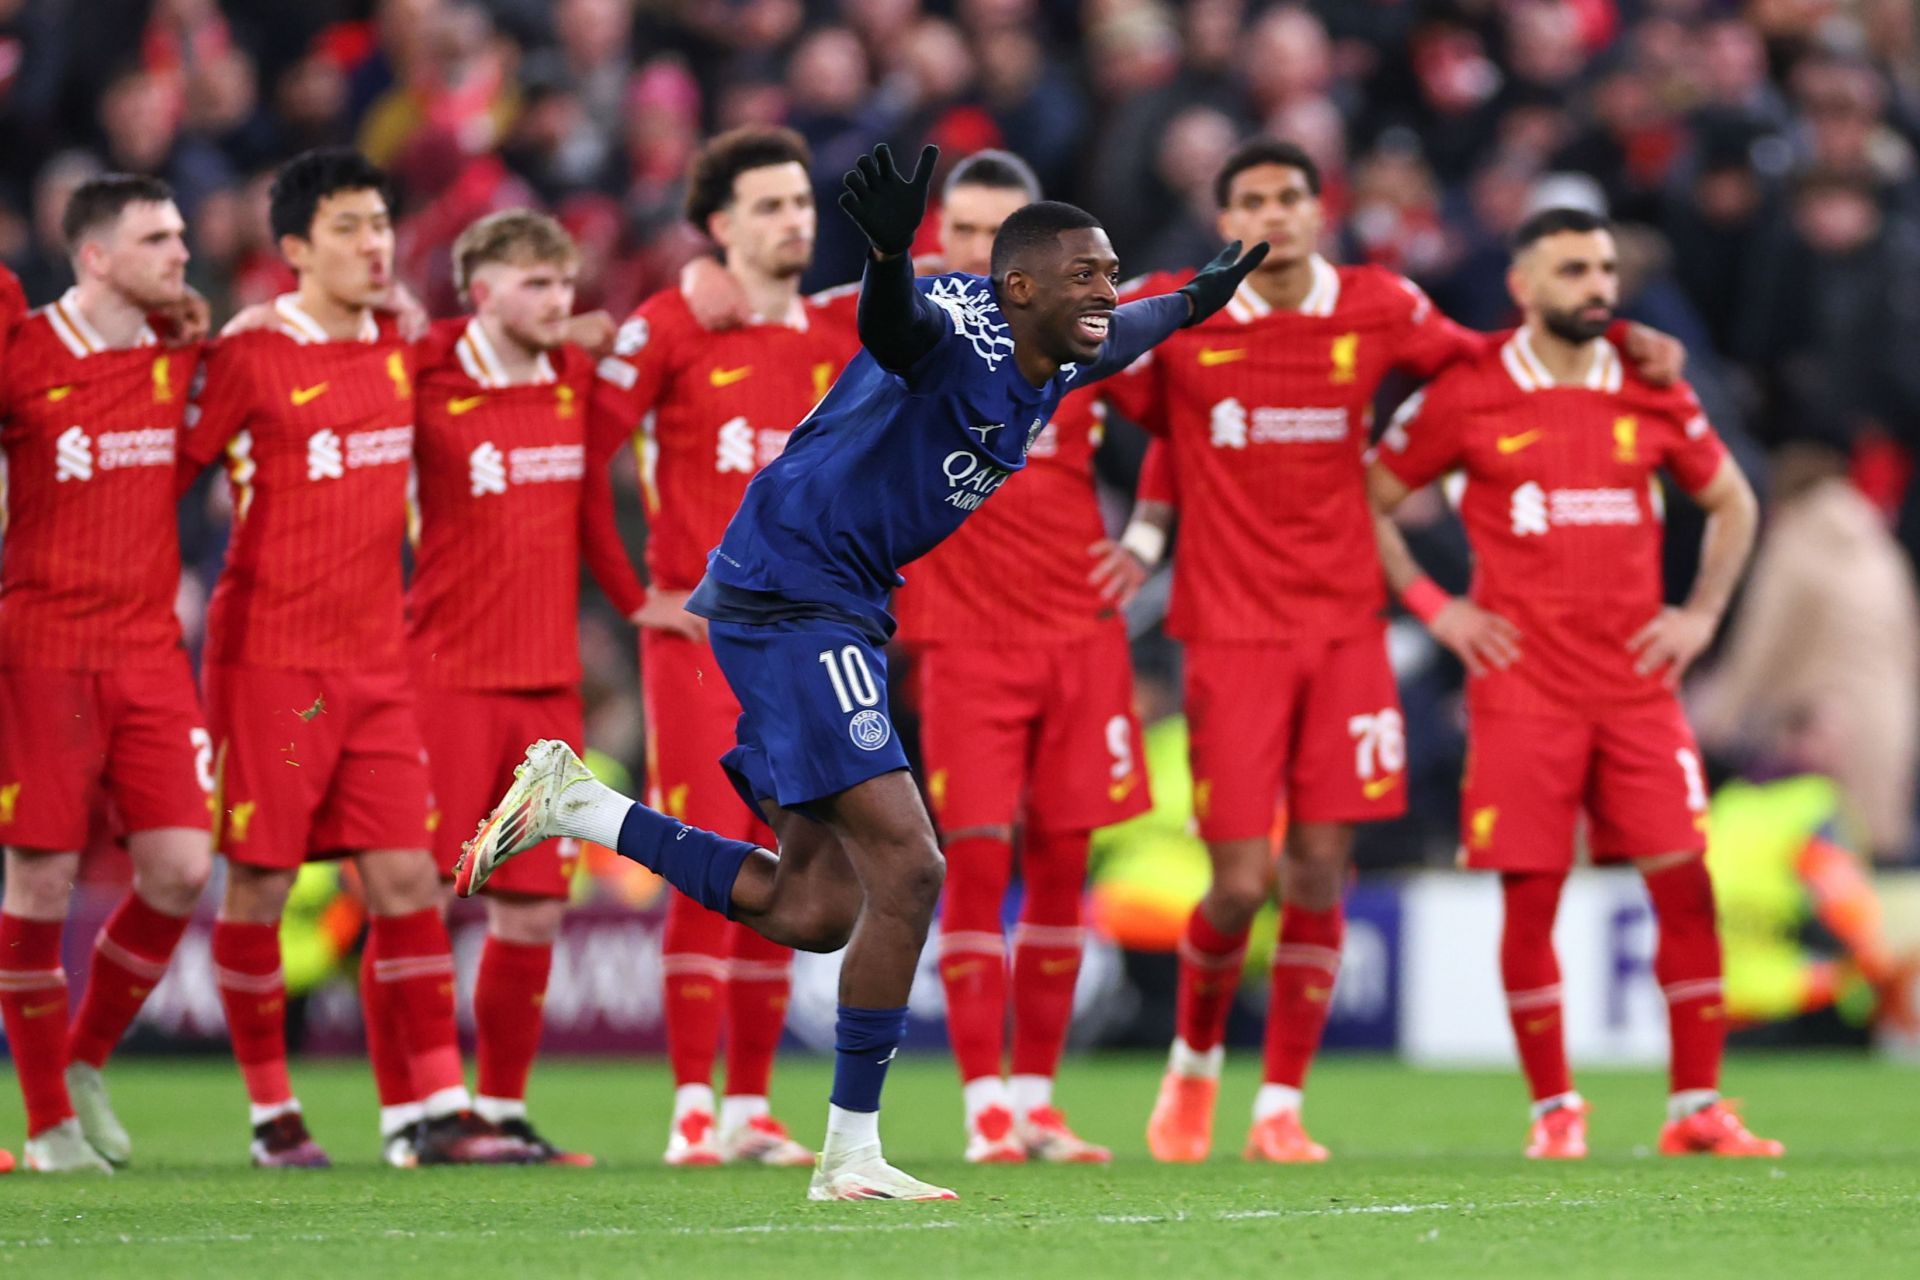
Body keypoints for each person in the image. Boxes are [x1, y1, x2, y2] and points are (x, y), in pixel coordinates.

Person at [458, 142, 1266, 1200]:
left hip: (831, 599)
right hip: (798, 592)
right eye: (1088, 275)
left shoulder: (1062, 346)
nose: (1107, 293)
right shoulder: (956, 335)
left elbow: (1136, 330)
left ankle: (582, 806)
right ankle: (851, 1155)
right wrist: (889, 250)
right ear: (1017, 286)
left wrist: (1195, 297)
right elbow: (894, 328)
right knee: (915, 865)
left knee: (812, 908)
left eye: (1113, 273)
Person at [1108, 138, 1682, 1165]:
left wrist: (1619, 340)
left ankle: (1280, 1103)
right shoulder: (1180, 311)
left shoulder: (1376, 303)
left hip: (1345, 631)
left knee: (1323, 869)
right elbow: (1137, 403)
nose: (1275, 213)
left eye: (1292, 195)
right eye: (1253, 199)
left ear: (1320, 209)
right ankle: (1192, 1068)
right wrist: (1145, 532)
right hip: (1230, 632)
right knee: (1240, 883)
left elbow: (1480, 356)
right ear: (1224, 216)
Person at [1366, 206, 1781, 1159]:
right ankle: (1556, 1111)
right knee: (1532, 896)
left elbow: (1734, 501)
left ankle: (1697, 1109)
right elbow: (1371, 498)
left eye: (1604, 269)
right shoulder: (1469, 392)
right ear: (1524, 287)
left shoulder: (1650, 385)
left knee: (1685, 882)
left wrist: (1702, 616)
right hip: (1524, 690)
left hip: (1637, 687)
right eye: (1573, 271)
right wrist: (1440, 609)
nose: (1596, 287)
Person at [181, 147, 522, 1169]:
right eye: (348, 228)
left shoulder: (401, 345)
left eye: (381, 224)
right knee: (262, 887)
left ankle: (431, 1111)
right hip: (272, 670)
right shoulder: (247, 355)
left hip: (378, 668)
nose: (375, 244)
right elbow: (174, 473)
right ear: (293, 250)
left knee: (408, 881)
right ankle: (270, 1112)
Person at [586, 126, 856, 1168]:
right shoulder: (670, 325)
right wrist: (635, 597)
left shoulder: (836, 335)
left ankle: (749, 1104)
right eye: (772, 206)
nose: (796, 220)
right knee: (707, 848)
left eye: (801, 202)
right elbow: (584, 458)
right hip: (700, 640)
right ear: (719, 225)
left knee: (793, 859)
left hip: (803, 644)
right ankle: (692, 1106)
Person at [893, 150, 1149, 1164]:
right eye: (966, 233)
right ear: (936, 245)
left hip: (1081, 637)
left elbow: (1174, 414)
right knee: (977, 862)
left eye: (1006, 240)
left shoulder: (1086, 340)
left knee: (1062, 867)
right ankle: (984, 1103)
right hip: (964, 642)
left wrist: (1150, 537)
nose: (986, 258)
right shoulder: (910, 335)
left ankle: (1038, 1099)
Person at [0, 176, 212, 1173]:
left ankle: (84, 1059)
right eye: (157, 238)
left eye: (180, 232)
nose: (181, 250)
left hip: (147, 652)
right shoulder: (24, 352)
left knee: (178, 868)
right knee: (40, 874)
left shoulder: (180, 355)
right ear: (93, 255)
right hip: (43, 647)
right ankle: (46, 1124)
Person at [397, 209, 611, 1166]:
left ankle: (503, 1111)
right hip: (442, 676)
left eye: (564, 283)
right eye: (535, 284)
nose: (558, 302)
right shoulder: (428, 372)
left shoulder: (574, 376)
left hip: (547, 688)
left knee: (532, 907)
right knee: (422, 897)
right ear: (481, 291)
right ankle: (415, 1116)